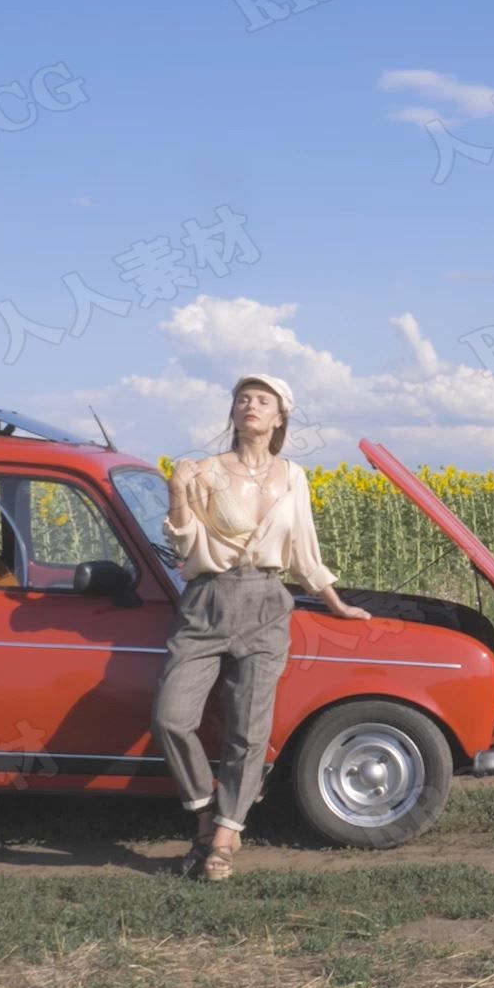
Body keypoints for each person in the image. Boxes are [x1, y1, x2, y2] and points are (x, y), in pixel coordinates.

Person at [153, 373, 372, 881]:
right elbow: (185, 543)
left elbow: (303, 551)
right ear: (232, 413)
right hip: (206, 602)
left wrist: (335, 603)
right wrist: (177, 493)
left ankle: (226, 836)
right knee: (171, 717)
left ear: (278, 418)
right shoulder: (203, 471)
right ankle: (204, 815)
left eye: (262, 400)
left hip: (268, 604)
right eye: (242, 398)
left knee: (249, 730)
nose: (250, 405)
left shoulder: (293, 477)